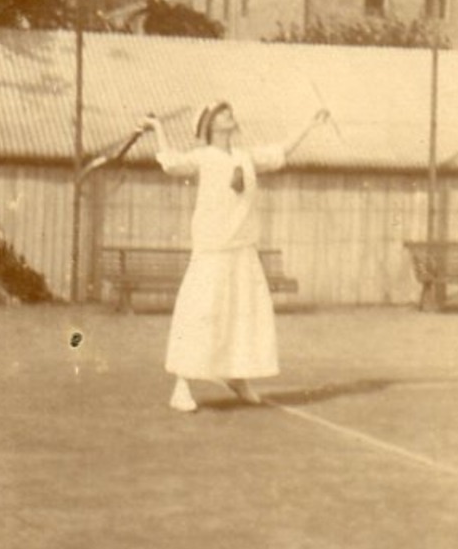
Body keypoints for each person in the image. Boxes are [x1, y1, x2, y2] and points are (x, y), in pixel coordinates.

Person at [141, 102, 329, 412]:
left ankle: (237, 378)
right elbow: (171, 164)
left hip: (242, 250)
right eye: (224, 114)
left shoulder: (246, 157)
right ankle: (182, 386)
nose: (231, 116)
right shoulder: (203, 157)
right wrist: (157, 127)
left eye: (230, 112)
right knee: (200, 316)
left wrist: (310, 123)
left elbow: (281, 151)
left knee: (244, 317)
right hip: (212, 250)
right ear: (211, 125)